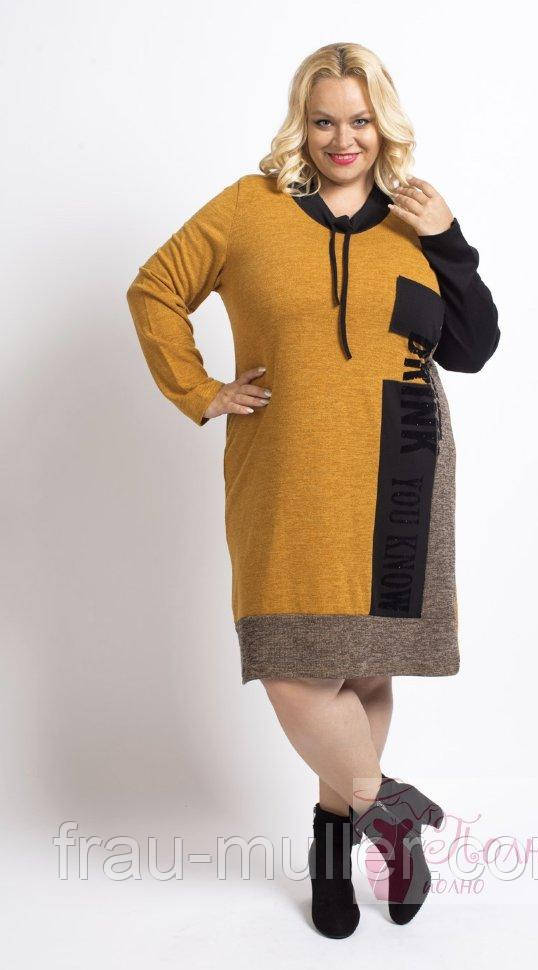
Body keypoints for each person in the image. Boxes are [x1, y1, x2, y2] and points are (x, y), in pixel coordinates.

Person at [126, 41, 500, 937]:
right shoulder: (248, 209)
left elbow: (473, 348)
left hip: (402, 467)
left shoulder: (414, 220)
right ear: (302, 122)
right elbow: (154, 289)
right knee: (293, 661)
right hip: (285, 472)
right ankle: (390, 812)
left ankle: (336, 848)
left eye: (360, 121)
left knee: (364, 662)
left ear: (383, 126)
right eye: (325, 120)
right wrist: (200, 390)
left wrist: (448, 239)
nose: (343, 139)